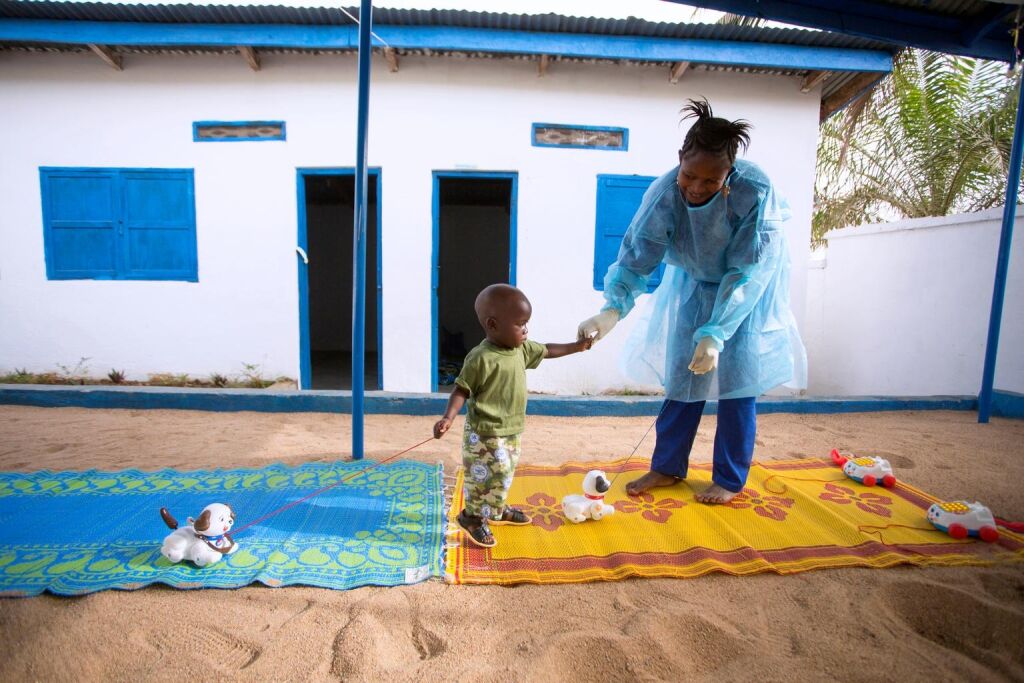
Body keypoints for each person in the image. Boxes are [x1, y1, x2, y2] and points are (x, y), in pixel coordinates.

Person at [578, 98, 806, 505]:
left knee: (739, 384)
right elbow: (637, 256)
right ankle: (667, 467)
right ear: (680, 158)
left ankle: (730, 479)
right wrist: (611, 310)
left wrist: (716, 334)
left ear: (730, 173)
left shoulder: (756, 192)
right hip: (696, 283)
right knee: (683, 377)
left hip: (748, 291)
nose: (697, 188)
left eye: (711, 181)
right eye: (689, 175)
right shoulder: (664, 194)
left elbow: (748, 271)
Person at [435, 284, 592, 548]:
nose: (526, 330)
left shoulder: (521, 349)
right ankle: (471, 517)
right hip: (484, 433)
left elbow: (548, 349)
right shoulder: (480, 358)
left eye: (526, 323)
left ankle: (496, 510)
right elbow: (461, 390)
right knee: (482, 477)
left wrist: (576, 347)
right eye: (520, 324)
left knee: (504, 473)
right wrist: (448, 418)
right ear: (493, 325)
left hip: (512, 429)